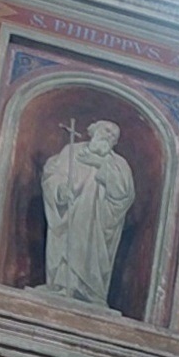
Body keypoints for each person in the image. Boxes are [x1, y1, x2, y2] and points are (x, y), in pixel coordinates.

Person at [38, 117, 137, 309]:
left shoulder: (119, 164)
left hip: (98, 223)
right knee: (68, 242)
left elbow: (124, 195)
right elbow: (53, 176)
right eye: (106, 130)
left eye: (113, 135)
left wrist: (101, 166)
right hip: (69, 214)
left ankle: (89, 291)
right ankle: (61, 284)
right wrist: (60, 190)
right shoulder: (72, 151)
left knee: (90, 250)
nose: (109, 135)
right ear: (94, 131)